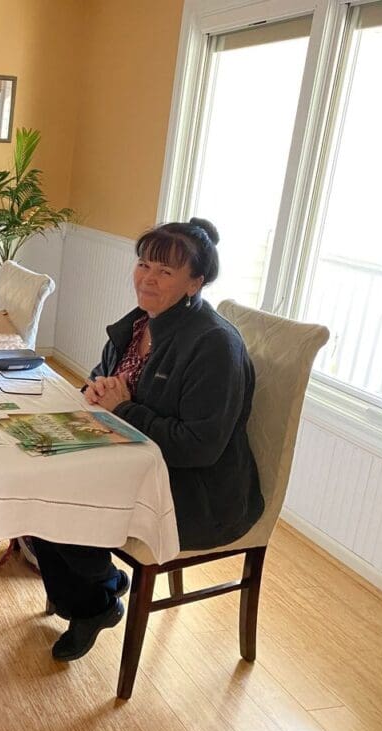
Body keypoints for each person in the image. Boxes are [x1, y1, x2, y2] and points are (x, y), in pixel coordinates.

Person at [32, 217, 264, 662]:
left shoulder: (215, 345)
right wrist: (97, 389)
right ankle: (99, 583)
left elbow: (199, 445)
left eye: (165, 271)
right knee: (38, 470)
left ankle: (94, 603)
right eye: (143, 264)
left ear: (196, 282)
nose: (147, 278)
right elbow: (108, 378)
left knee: (57, 495)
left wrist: (124, 408)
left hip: (197, 493)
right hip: (134, 461)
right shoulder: (141, 324)